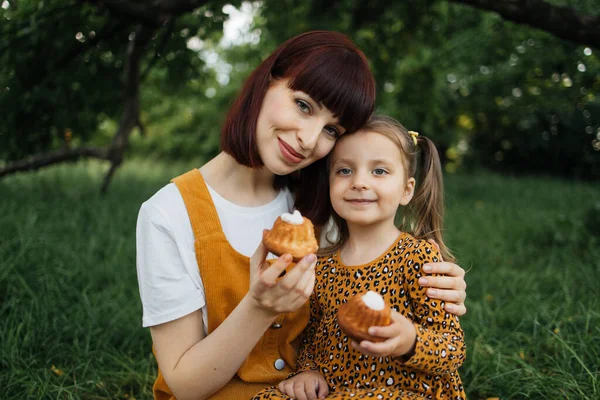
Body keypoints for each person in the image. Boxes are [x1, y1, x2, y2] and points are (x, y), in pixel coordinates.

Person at [136, 31, 467, 400]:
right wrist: (259, 307)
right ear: (265, 82)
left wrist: (440, 287)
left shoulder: (320, 206)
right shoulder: (168, 214)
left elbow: (372, 278)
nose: (310, 140)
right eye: (304, 105)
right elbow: (183, 384)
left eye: (331, 130)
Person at [252, 115, 466, 400]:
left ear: (406, 190)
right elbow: (314, 338)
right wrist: (308, 371)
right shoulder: (322, 265)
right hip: (340, 392)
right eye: (344, 171)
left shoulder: (419, 257)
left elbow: (452, 348)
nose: (359, 182)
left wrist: (410, 341)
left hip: (409, 392)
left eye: (379, 171)